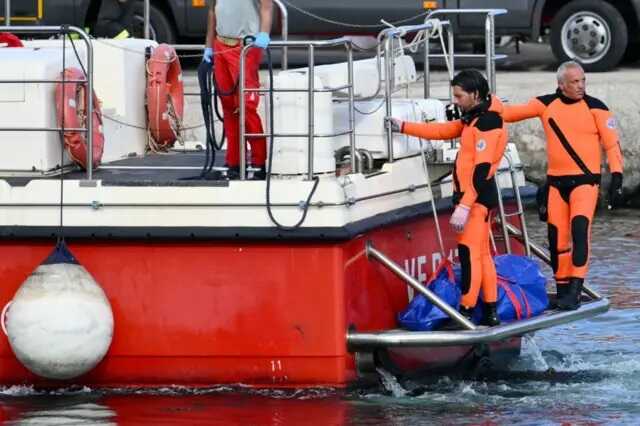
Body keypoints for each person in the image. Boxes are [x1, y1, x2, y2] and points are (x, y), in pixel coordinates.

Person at [387, 70, 508, 326]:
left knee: (469, 254)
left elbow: (481, 172)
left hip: (475, 200)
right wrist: (404, 126)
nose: (454, 101)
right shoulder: (474, 120)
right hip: (478, 199)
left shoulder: (486, 124)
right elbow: (443, 131)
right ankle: (490, 311)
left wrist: (464, 205)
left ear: (475, 95)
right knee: (482, 255)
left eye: (458, 96)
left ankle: (465, 311)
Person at [502, 61, 624, 310]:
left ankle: (576, 290)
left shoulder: (597, 108)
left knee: (580, 233)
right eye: (574, 82)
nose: (580, 86)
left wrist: (617, 176)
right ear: (561, 84)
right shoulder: (545, 104)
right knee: (557, 239)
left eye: (583, 81)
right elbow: (509, 114)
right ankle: (563, 288)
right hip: (556, 184)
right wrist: (485, 104)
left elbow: (611, 145)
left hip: (585, 182)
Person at [204, 0, 272, 180]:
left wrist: (264, 34)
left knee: (246, 107)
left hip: (245, 46)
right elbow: (212, 11)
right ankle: (234, 162)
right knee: (228, 106)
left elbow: (267, 6)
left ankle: (259, 163)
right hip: (221, 45)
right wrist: (208, 47)